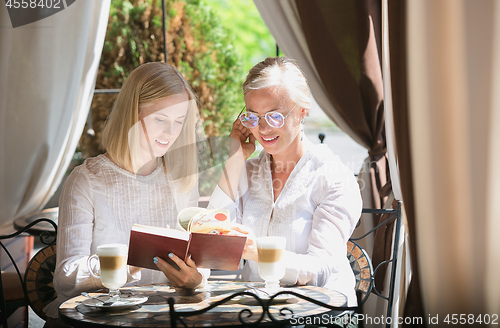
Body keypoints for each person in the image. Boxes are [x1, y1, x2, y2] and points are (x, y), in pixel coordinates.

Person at [44, 62, 208, 326]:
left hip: (165, 318)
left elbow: (197, 263)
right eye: (160, 119)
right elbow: (65, 276)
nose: (170, 133)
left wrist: (196, 279)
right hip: (98, 321)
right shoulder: (86, 180)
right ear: (132, 114)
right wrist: (129, 265)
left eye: (179, 121)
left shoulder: (181, 179)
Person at [208, 57, 362, 307]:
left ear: (302, 111)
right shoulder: (248, 171)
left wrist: (255, 251)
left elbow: (319, 269)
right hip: (254, 314)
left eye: (274, 116)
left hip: (319, 314)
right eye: (253, 117)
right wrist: (235, 159)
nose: (262, 128)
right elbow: (211, 243)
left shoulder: (332, 177)